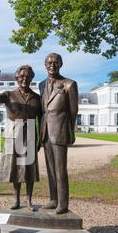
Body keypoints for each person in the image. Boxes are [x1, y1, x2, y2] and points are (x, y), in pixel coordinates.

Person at [0, 64, 42, 211]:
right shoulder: (9, 95)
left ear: (32, 78)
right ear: (16, 78)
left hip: (30, 132)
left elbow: (40, 120)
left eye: (28, 76)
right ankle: (17, 200)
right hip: (13, 133)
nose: (24, 79)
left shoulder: (37, 98)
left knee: (29, 168)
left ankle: (29, 201)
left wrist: (39, 139)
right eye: (21, 76)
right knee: (15, 168)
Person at [39, 53, 79, 214]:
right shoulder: (42, 84)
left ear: (61, 64)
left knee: (60, 169)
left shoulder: (69, 84)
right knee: (50, 168)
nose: (52, 65)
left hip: (60, 130)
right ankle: (53, 199)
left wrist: (69, 130)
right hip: (46, 131)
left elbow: (73, 111)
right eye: (49, 62)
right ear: (45, 65)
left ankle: (63, 203)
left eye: (56, 62)